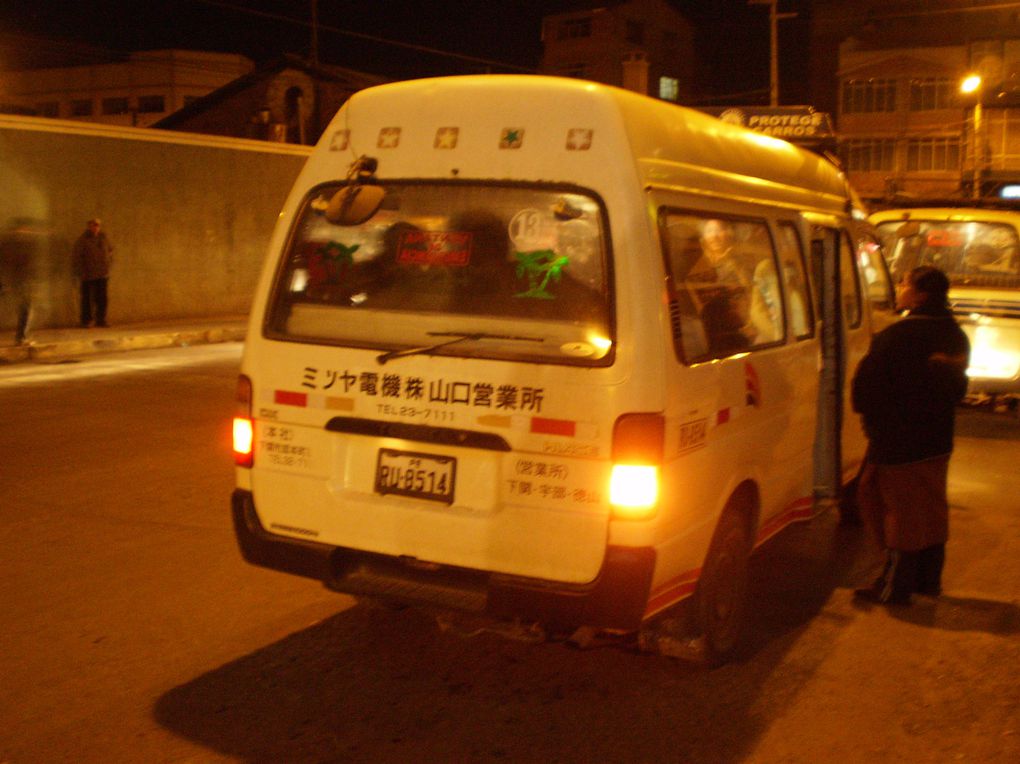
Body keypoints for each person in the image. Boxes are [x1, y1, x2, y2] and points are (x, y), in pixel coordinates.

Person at [850, 265, 970, 605]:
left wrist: (874, 426)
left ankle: (895, 585)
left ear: (920, 295)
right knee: (930, 506)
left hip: (898, 439)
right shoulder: (954, 334)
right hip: (938, 437)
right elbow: (957, 387)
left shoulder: (897, 336)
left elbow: (866, 390)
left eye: (904, 283)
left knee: (892, 507)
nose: (900, 288)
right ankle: (928, 580)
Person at [0, 218, 47, 345]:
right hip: (23, 282)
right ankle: (22, 337)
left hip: (14, 281)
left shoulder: (6, 242)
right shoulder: (24, 244)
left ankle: (22, 336)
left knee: (23, 309)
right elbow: (30, 265)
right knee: (25, 309)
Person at [72, 218, 114, 327]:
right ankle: (86, 321)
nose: (95, 227)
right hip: (88, 274)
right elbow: (77, 256)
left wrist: (108, 265)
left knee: (102, 298)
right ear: (89, 226)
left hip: (102, 273)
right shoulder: (83, 240)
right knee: (87, 299)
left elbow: (110, 251)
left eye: (97, 225)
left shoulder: (104, 238)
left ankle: (101, 320)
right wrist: (81, 271)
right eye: (93, 225)